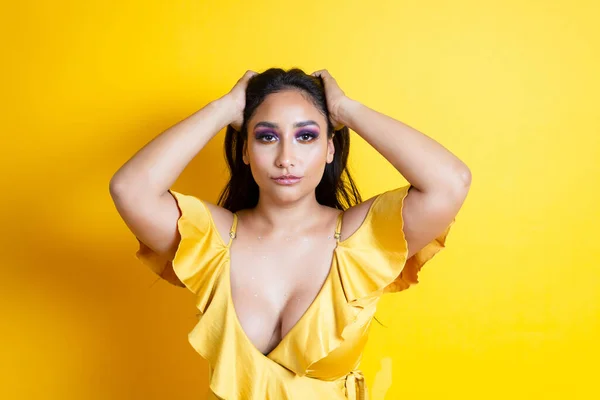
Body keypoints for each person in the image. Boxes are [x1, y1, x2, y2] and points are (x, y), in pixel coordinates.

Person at [109, 68, 471, 399]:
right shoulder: (214, 240)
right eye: (267, 137)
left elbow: (450, 182)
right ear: (246, 151)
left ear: (329, 148)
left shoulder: (359, 240)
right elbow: (130, 189)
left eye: (306, 136)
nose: (286, 157)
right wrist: (223, 109)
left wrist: (346, 110)